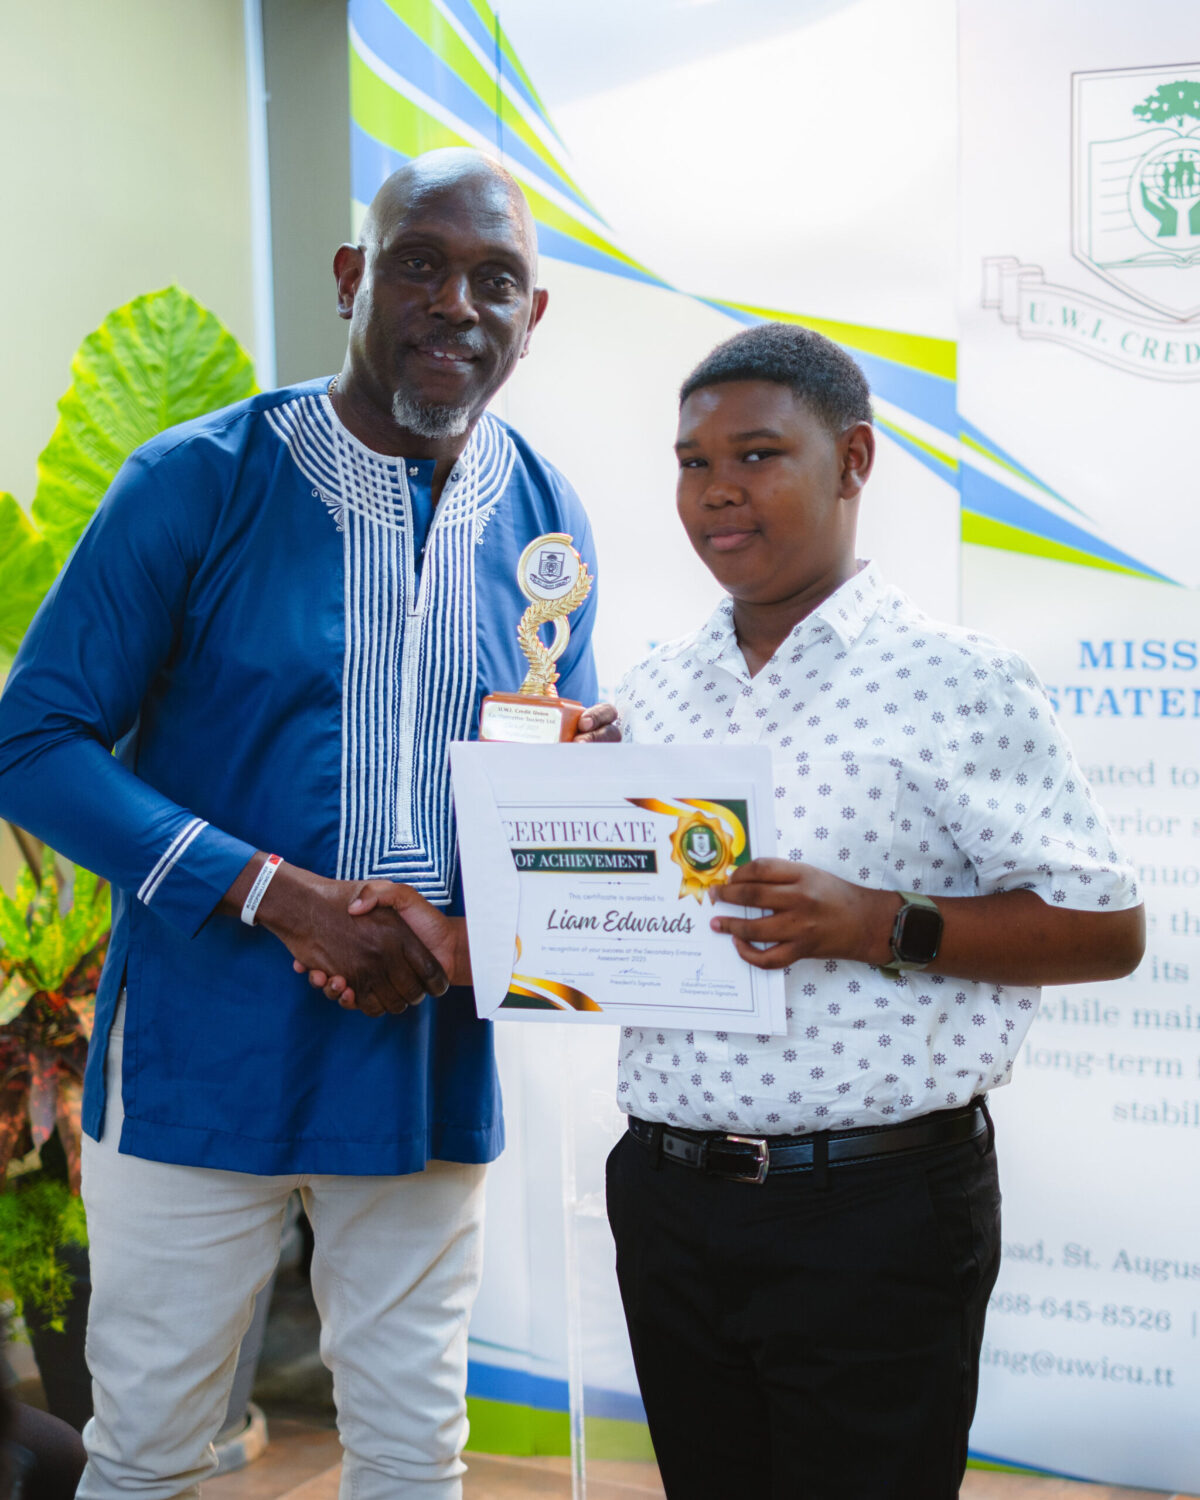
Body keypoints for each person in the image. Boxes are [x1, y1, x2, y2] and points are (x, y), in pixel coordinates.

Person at [0, 148, 612, 1500]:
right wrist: (280, 896)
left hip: (423, 1055)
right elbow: (30, 742)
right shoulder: (200, 479)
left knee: (414, 1445)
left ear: (533, 316)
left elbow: (536, 787)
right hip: (202, 1050)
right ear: (351, 278)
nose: (456, 304)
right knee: (150, 1445)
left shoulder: (546, 517)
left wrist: (569, 815)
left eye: (495, 281)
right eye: (420, 265)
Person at [598, 324, 1145, 1498]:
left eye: (757, 456)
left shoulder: (957, 678)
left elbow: (1106, 931)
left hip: (873, 1215)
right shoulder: (646, 695)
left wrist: (876, 923)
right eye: (693, 463)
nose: (717, 491)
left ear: (853, 460)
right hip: (667, 1197)